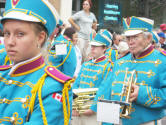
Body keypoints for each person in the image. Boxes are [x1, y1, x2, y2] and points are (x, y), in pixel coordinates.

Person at [0, 0, 73, 124]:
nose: (10, 42)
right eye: (7, 33)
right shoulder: (3, 75)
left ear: (40, 37)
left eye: (20, 34)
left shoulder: (52, 86)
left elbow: (69, 64)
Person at [92, 16, 166, 125]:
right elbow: (107, 89)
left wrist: (140, 93)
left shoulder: (162, 61)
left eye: (135, 37)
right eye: (128, 38)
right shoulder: (120, 62)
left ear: (149, 38)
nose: (130, 42)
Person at [72, 33, 112, 125]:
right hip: (78, 107)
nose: (92, 48)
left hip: (94, 109)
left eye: (96, 46)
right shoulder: (86, 64)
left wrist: (93, 109)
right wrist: (74, 106)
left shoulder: (108, 66)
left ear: (104, 48)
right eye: (92, 46)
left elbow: (104, 90)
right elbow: (76, 85)